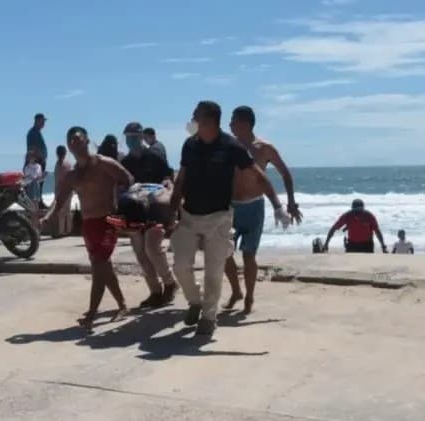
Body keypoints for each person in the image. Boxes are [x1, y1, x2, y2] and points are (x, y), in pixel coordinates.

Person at [170, 101, 289, 337]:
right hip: (189, 216)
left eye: (196, 116)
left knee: (214, 270)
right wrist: (172, 212)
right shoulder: (189, 145)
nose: (192, 119)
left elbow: (260, 175)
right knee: (181, 266)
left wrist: (278, 206)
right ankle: (195, 301)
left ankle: (209, 316)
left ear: (209, 121)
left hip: (219, 217)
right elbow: (181, 179)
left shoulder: (231, 146)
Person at [42, 126, 134, 330]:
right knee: (103, 266)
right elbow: (60, 199)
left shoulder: (103, 163)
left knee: (99, 265)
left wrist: (121, 201)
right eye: (71, 141)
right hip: (88, 224)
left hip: (110, 221)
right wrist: (48, 216)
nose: (74, 143)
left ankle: (92, 313)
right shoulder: (73, 175)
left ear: (86, 140)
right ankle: (122, 305)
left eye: (78, 139)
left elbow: (128, 179)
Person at [223, 106, 302, 314]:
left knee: (249, 256)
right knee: (224, 253)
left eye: (233, 121)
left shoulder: (264, 148)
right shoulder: (228, 146)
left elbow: (285, 173)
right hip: (230, 207)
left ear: (245, 123)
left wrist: (290, 204)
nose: (230, 125)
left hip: (254, 207)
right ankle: (236, 291)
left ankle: (249, 297)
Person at [120, 122, 177, 308]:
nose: (131, 141)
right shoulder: (126, 163)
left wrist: (167, 191)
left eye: (134, 137)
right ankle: (154, 291)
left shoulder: (155, 156)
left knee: (152, 247)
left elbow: (169, 177)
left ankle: (170, 283)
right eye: (128, 137)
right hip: (134, 212)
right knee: (140, 252)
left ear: (141, 137)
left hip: (155, 210)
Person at [323, 199, 387, 253]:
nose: (358, 212)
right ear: (352, 209)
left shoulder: (369, 216)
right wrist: (326, 243)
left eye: (360, 210)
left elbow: (377, 231)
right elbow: (333, 228)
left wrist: (383, 246)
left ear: (363, 208)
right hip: (352, 245)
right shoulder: (347, 215)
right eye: (356, 210)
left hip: (367, 245)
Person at [26, 113, 48, 208]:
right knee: (36, 184)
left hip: (39, 161)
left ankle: (39, 202)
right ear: (38, 120)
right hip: (36, 162)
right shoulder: (33, 132)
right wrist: (40, 157)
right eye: (43, 121)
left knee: (40, 183)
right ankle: (36, 204)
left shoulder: (37, 132)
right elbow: (32, 148)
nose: (44, 123)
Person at [53, 145, 74, 237]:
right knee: (67, 211)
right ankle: (68, 230)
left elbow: (57, 179)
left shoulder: (58, 164)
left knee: (61, 212)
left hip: (60, 190)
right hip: (67, 189)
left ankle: (61, 231)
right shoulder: (68, 164)